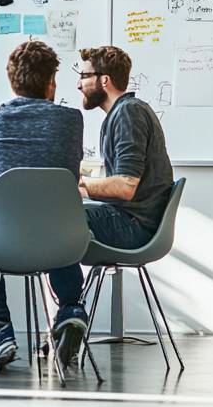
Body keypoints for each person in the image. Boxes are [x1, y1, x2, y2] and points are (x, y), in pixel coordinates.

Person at [0, 39, 84, 370]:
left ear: (12, 81)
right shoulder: (72, 120)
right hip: (61, 242)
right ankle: (71, 309)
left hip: (4, 243)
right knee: (55, 224)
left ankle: (0, 332)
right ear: (51, 83)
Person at [74, 45, 174, 356]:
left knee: (57, 221)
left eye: (84, 76)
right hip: (134, 221)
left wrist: (79, 185)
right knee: (60, 221)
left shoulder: (128, 113)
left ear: (104, 81)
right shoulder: (124, 113)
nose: (78, 84)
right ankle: (68, 317)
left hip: (135, 227)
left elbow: (126, 187)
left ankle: (68, 317)